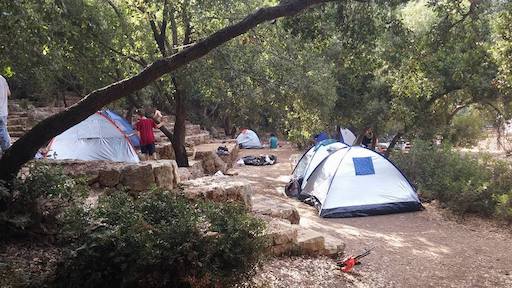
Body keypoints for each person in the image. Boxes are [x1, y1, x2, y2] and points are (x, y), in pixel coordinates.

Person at [0, 75, 11, 154]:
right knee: (3, 130)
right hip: (3, 111)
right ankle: (7, 150)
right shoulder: (2, 79)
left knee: (2, 130)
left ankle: (7, 150)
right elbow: (8, 93)